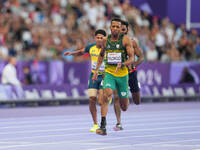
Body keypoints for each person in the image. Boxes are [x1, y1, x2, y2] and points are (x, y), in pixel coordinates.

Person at [92, 18, 134, 135]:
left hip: (122, 75)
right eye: (113, 26)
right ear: (110, 28)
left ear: (121, 29)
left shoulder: (126, 40)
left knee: (124, 106)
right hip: (109, 73)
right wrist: (96, 70)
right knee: (107, 94)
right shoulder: (105, 41)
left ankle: (125, 96)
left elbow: (132, 58)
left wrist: (123, 64)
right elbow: (101, 55)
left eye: (118, 27)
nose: (115, 28)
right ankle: (103, 126)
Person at [64, 29, 107, 132]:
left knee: (101, 101)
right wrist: (71, 53)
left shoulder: (108, 49)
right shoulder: (91, 47)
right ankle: (95, 124)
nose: (100, 40)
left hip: (105, 76)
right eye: (98, 38)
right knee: (92, 99)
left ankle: (105, 105)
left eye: (102, 38)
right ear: (95, 38)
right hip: (93, 76)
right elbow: (81, 52)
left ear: (104, 39)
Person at [113, 20, 144, 131]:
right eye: (119, 29)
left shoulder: (133, 42)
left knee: (137, 101)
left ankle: (134, 90)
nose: (121, 31)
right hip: (119, 74)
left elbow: (141, 57)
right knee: (117, 98)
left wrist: (133, 64)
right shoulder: (112, 43)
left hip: (131, 74)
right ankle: (118, 123)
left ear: (127, 30)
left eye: (123, 29)